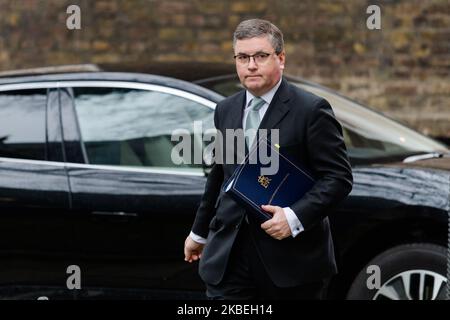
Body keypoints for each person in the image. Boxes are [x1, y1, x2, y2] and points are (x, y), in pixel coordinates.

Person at [184, 19, 353, 300]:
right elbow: (220, 175)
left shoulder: (311, 110)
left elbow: (338, 179)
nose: (251, 65)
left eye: (261, 56)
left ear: (281, 58)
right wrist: (199, 233)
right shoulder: (226, 109)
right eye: (243, 57)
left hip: (291, 263)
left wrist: (293, 217)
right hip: (229, 257)